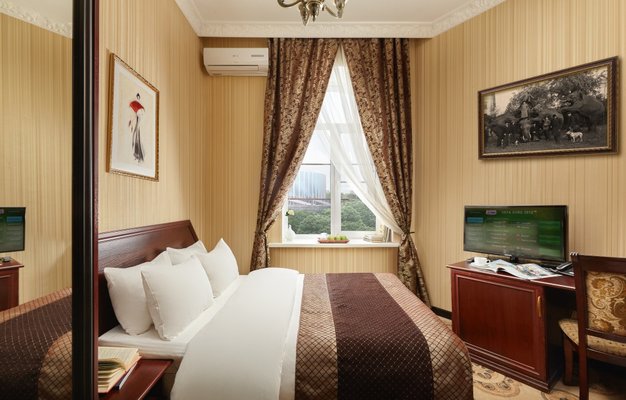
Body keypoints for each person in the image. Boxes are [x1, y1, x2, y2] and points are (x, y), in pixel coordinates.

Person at [128, 93, 145, 162]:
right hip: (137, 121)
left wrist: (133, 124)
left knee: (136, 136)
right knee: (135, 136)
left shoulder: (139, 108)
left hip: (138, 123)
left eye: (138, 97)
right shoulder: (136, 107)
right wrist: (131, 122)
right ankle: (136, 154)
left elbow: (138, 116)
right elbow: (134, 116)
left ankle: (137, 155)